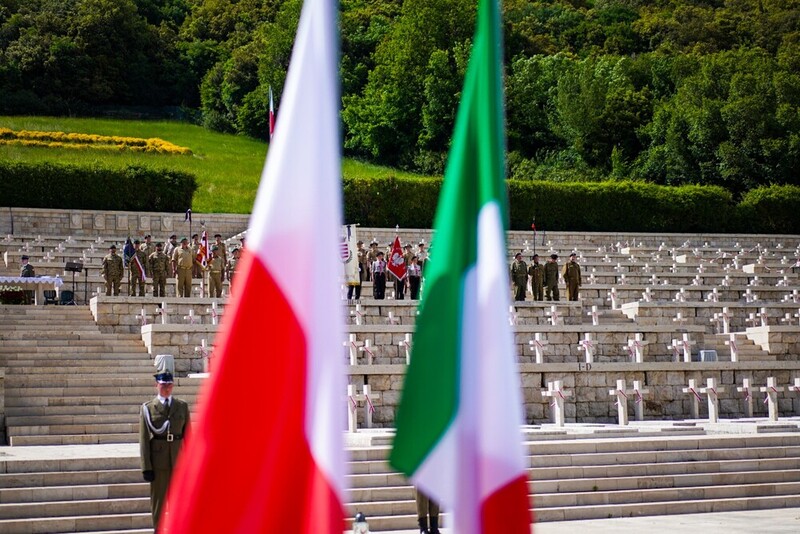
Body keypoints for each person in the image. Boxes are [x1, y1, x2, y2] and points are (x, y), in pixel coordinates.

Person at [139, 372, 190, 530]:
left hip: (178, 460)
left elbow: (188, 436)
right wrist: (146, 467)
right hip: (158, 462)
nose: (166, 388)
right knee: (159, 501)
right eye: (163, 385)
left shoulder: (181, 406)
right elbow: (144, 440)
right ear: (157, 385)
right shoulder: (148, 408)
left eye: (169, 385)